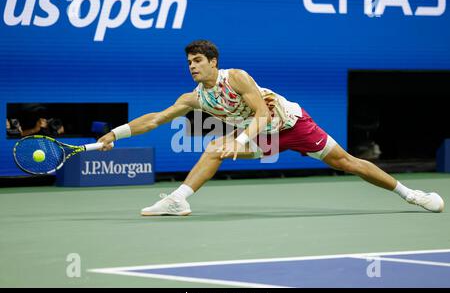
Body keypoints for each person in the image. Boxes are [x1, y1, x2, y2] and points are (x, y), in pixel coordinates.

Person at [98, 40, 445, 216]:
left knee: (347, 162)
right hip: (261, 135)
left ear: (212, 62)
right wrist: (116, 132)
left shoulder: (235, 76)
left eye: (197, 61)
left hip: (291, 124)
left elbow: (262, 112)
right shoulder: (193, 98)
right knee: (214, 149)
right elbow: (155, 118)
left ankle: (411, 195)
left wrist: (244, 138)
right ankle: (178, 201)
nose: (192, 67)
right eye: (188, 63)